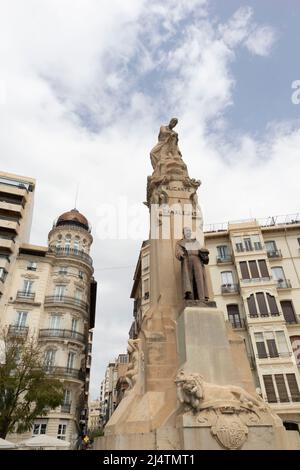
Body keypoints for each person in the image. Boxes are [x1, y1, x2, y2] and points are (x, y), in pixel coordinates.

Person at [175, 227, 209, 301]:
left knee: (199, 279)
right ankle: (191, 299)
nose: (188, 232)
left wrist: (204, 254)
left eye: (190, 231)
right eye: (187, 231)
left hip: (197, 260)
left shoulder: (195, 242)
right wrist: (180, 254)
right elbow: (178, 252)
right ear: (183, 233)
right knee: (189, 280)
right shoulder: (180, 243)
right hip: (187, 260)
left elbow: (202, 250)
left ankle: (202, 298)